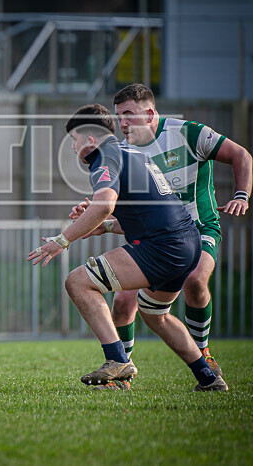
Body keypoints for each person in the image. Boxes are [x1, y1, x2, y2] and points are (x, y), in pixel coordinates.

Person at [28, 104, 227, 392]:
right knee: (156, 314)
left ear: (90, 139)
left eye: (74, 139)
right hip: (187, 242)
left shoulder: (104, 158)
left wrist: (62, 240)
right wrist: (106, 226)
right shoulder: (132, 154)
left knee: (78, 282)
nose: (72, 146)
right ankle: (208, 378)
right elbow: (144, 212)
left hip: (163, 245)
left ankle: (117, 360)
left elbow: (104, 205)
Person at [72, 84, 251, 377]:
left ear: (150, 113)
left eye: (128, 114)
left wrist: (241, 195)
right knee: (124, 301)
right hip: (158, 239)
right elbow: (136, 213)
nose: (122, 123)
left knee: (195, 280)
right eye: (118, 116)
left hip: (199, 227)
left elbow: (241, 154)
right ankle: (121, 370)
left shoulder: (188, 133)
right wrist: (102, 219)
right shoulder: (124, 150)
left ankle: (202, 351)